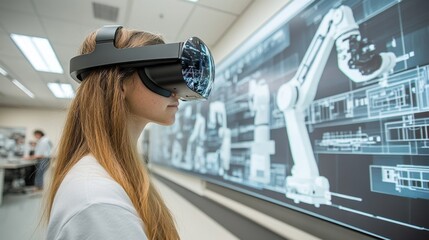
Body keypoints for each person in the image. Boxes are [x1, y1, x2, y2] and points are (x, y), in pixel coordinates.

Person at [44, 27, 189, 240]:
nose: (177, 92)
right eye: (161, 74)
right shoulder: (98, 201)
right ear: (120, 84)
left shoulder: (113, 174)